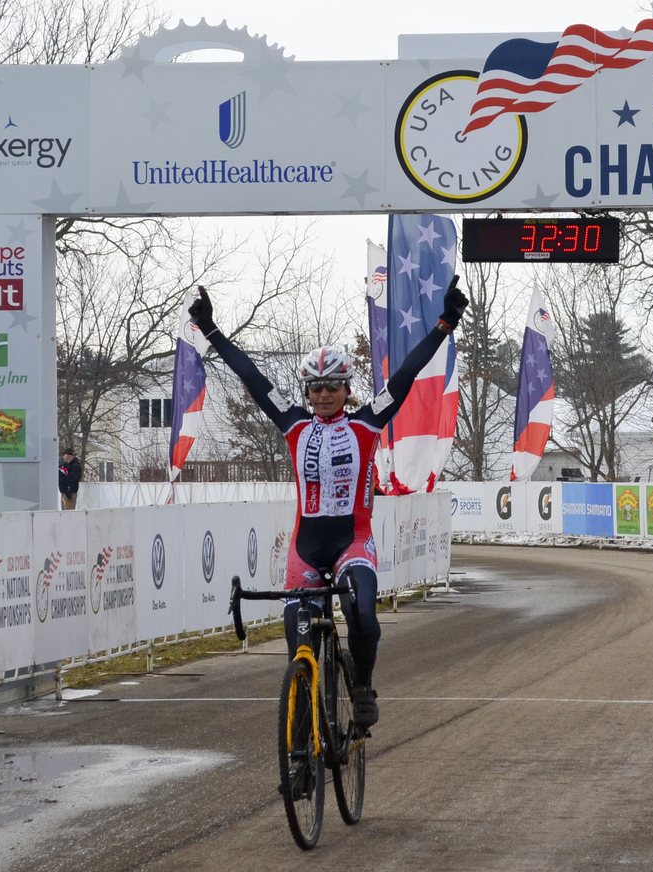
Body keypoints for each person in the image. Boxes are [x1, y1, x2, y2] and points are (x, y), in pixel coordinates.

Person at [187, 279, 468, 730]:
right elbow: (252, 378)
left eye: (332, 386)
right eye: (315, 388)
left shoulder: (368, 422)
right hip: (306, 549)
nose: (322, 395)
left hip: (352, 543)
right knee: (298, 637)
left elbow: (406, 376)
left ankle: (360, 688)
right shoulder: (293, 424)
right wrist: (210, 329)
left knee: (360, 611)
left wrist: (444, 324)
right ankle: (300, 747)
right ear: (307, 391)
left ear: (346, 388)